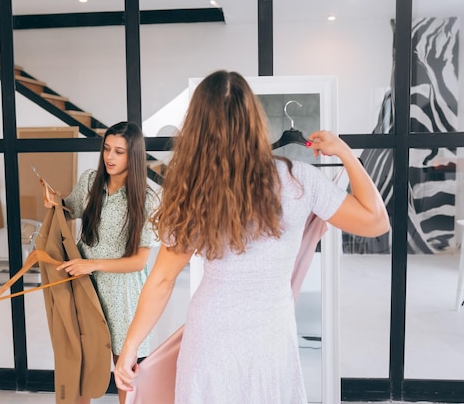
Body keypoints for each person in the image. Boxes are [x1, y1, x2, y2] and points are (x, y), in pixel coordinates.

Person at [113, 70, 390, 403]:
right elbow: (376, 221)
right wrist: (345, 152)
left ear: (197, 127)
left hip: (210, 337)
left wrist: (129, 348)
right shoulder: (298, 179)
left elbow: (162, 280)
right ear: (255, 121)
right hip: (271, 338)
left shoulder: (192, 190)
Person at [44, 121, 158, 404]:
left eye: (119, 151)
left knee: (126, 371)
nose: (110, 157)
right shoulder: (90, 181)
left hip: (123, 296)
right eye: (107, 149)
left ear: (133, 155)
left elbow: (138, 262)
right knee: (82, 364)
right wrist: (55, 201)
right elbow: (70, 208)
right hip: (86, 288)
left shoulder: (147, 199)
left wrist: (93, 264)